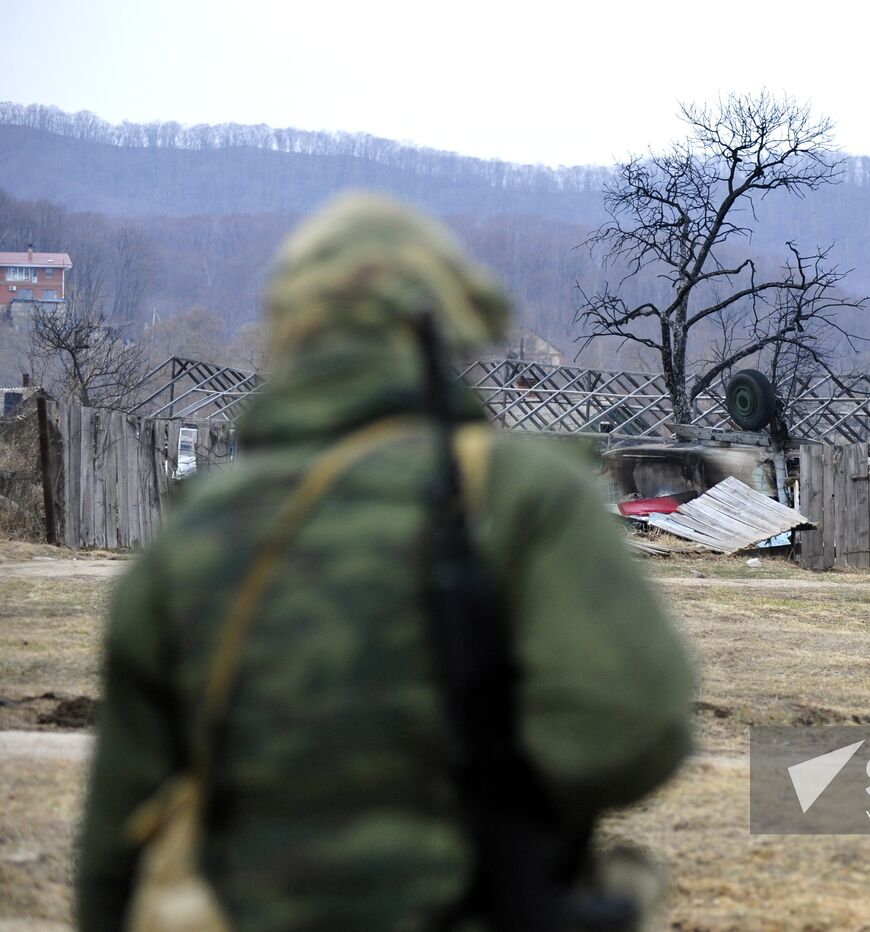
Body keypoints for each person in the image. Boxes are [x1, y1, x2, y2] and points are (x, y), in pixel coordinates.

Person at [77, 195, 695, 930]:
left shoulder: (188, 537)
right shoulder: (519, 493)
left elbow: (119, 838)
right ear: (438, 331)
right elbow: (634, 732)